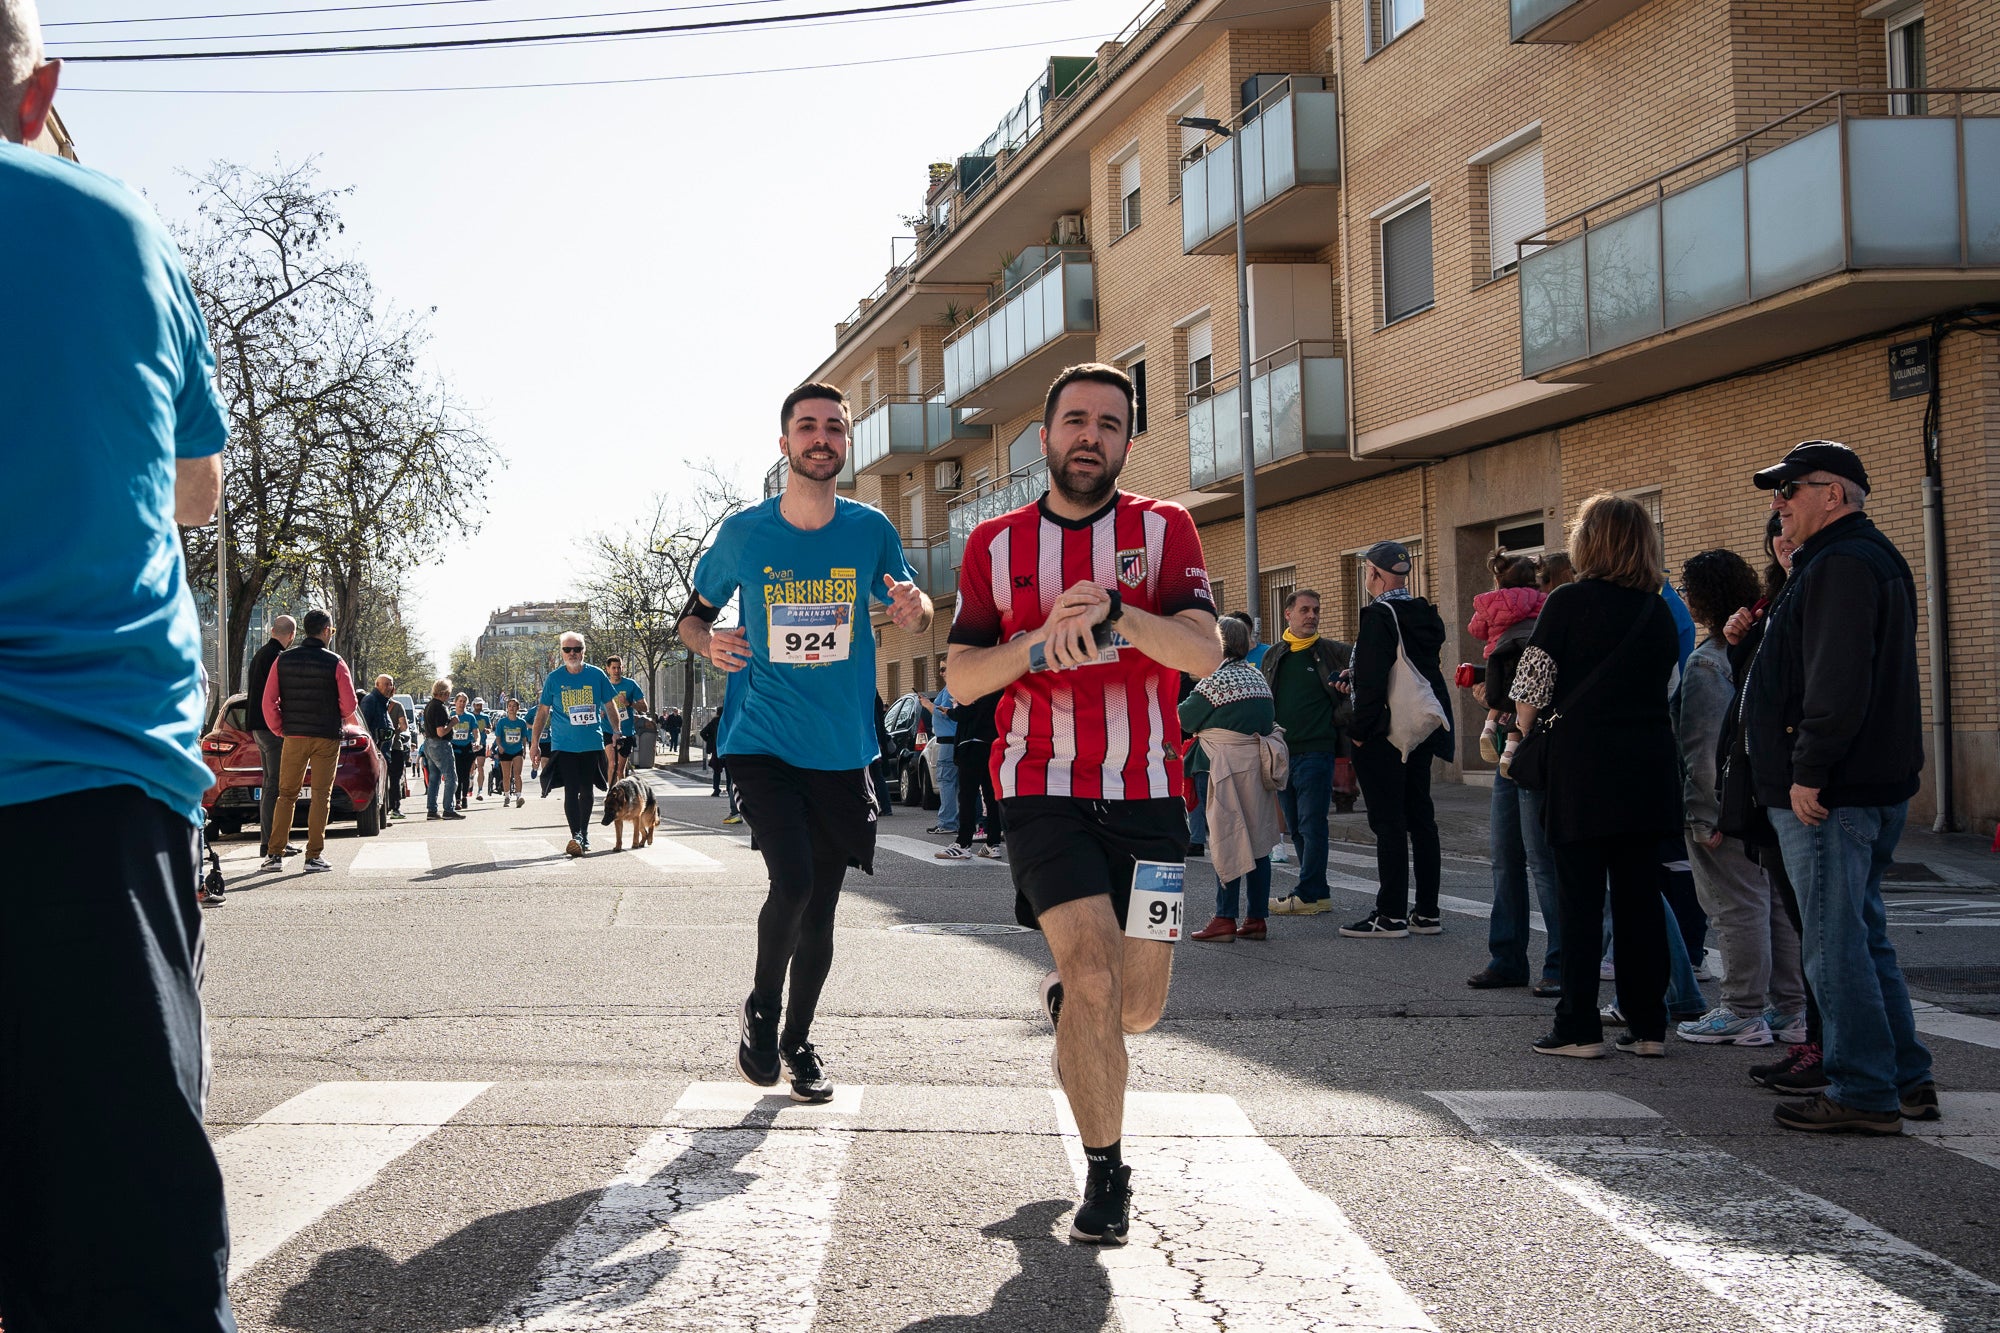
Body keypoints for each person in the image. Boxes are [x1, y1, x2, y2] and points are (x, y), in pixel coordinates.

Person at [0, 22, 238, 1319]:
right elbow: (192, 486)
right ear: (38, 91)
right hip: (89, 796)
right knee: (123, 1264)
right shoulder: (117, 228)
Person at [949, 362, 1221, 1246]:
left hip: (1149, 792)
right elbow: (959, 677)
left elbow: (1206, 653)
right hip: (1041, 788)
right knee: (1097, 976)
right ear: (1046, 436)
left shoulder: (1165, 526)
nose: (1089, 435)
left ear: (1127, 442)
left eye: (1109, 422)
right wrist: (1035, 642)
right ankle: (1106, 1171)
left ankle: (1076, 1006)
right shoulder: (994, 545)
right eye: (1075, 420)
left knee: (1136, 1004)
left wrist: (1120, 616)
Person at [677, 381, 932, 1105]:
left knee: (819, 908)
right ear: (784, 442)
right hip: (762, 738)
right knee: (790, 880)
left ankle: (798, 1039)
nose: (821, 438)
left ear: (845, 443)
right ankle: (762, 1009)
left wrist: (917, 606)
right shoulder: (746, 534)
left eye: (833, 428)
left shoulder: (870, 528)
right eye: (807, 427)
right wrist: (711, 641)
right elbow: (690, 620)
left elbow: (913, 606)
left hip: (844, 746)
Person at [1744, 441, 1932, 1133]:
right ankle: (1906, 1075)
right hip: (1862, 784)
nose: (1779, 502)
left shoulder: (1845, 564)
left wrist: (1809, 770)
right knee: (1861, 934)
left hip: (1834, 791)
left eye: (1790, 489)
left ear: (1835, 493)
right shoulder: (1848, 559)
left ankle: (1862, 1089)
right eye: (1777, 490)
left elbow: (1837, 678)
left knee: (1834, 943)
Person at [1513, 494, 1684, 1059]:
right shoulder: (1655, 610)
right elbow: (1670, 686)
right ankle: (1649, 1025)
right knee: (1640, 898)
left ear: (1591, 541)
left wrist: (1521, 732)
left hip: (1582, 769)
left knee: (1580, 899)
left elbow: (1532, 688)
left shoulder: (1567, 602)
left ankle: (1579, 1025)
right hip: (1648, 768)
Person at [1674, 548, 1806, 1048]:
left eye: (1688, 592)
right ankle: (1790, 1009)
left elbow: (1704, 748)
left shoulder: (1709, 662)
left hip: (1726, 807)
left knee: (1735, 907)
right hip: (1767, 800)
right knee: (1775, 905)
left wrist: (1705, 814)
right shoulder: (1756, 646)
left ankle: (1741, 1009)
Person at [1339, 542, 1454, 939]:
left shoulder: (1379, 616)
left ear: (1373, 574)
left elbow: (1372, 682)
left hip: (1385, 733)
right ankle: (1427, 912)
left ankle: (1389, 915)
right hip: (1419, 727)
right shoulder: (1422, 613)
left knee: (1388, 822)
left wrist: (1357, 733)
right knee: (1421, 817)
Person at [1465, 578, 1562, 995]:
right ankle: (1507, 959)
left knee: (1542, 861)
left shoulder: (1544, 625)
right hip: (1509, 746)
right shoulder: (1508, 630)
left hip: (1535, 752)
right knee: (1505, 858)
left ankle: (1559, 965)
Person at [1182, 617, 1283, 942]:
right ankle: (1256, 918)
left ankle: (1224, 917)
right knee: (1258, 844)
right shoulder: (1258, 679)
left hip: (1219, 768)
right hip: (1256, 767)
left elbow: (1184, 718)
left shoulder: (1215, 682)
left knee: (1226, 840)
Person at [1260, 589, 1351, 915]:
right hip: (1283, 755)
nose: (1311, 616)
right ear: (1288, 614)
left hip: (1317, 752)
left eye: (1316, 610)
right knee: (1296, 826)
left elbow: (1359, 684)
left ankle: (1307, 893)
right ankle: (1318, 893)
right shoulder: (1274, 655)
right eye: (1305, 610)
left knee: (1313, 824)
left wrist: (1343, 714)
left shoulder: (1334, 653)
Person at [261, 608, 363, 872]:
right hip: (326, 737)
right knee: (321, 796)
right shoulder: (336, 662)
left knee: (286, 795)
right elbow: (350, 704)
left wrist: (280, 728)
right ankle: (313, 856)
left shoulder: (282, 660)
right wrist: (332, 714)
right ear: (326, 630)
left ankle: (274, 855)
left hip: (294, 735)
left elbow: (268, 700)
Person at [533, 632, 618, 856]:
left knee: (587, 790)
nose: (572, 653)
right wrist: (534, 743)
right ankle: (576, 836)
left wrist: (616, 731)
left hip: (591, 743)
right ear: (561, 653)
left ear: (584, 651)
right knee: (571, 789)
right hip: (564, 744)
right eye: (567, 650)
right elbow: (542, 713)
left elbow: (610, 705)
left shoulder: (597, 675)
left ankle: (584, 832)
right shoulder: (554, 679)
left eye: (577, 649)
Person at [1468, 551, 1546, 768]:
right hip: (1525, 657)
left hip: (1498, 656)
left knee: (1500, 694)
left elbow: (1476, 629)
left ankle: (1488, 728)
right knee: (1517, 703)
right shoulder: (1541, 599)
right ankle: (1509, 753)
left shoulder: (1489, 602)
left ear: (1498, 579)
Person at [247, 614, 300, 857]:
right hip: (272, 728)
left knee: (270, 785)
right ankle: (273, 842)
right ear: (292, 635)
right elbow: (281, 695)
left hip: (257, 726)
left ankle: (271, 840)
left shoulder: (259, 655)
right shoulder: (279, 658)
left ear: (270, 630)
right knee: (277, 787)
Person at [933, 688, 1004, 861]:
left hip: (972, 744)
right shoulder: (1000, 687)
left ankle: (963, 843)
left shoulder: (975, 686)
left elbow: (965, 714)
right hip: (993, 743)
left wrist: (952, 709)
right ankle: (993, 844)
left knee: (967, 796)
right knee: (991, 795)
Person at [919, 663, 960, 836]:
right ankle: (962, 821)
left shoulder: (953, 689)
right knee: (955, 782)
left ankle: (948, 822)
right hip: (950, 741)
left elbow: (948, 713)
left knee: (946, 781)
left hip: (949, 742)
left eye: (944, 668)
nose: (941, 672)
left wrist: (929, 705)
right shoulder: (950, 688)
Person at [361, 673, 404, 820]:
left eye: (390, 684)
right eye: (385, 684)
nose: (389, 687)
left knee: (384, 785)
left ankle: (383, 816)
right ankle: (379, 817)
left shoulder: (384, 702)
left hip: (384, 751)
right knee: (377, 785)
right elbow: (365, 726)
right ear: (377, 685)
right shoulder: (370, 700)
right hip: (375, 751)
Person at [423, 678, 462, 820]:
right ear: (444, 693)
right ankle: (448, 809)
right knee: (451, 777)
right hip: (440, 745)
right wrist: (452, 723)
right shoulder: (440, 707)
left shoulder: (429, 706)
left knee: (434, 779)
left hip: (429, 744)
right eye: (448, 693)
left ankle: (432, 810)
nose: (449, 696)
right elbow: (441, 731)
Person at [605, 655, 644, 784]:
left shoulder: (631, 685)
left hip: (626, 731)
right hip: (608, 730)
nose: (617, 671)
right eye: (614, 668)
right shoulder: (603, 685)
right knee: (612, 764)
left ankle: (621, 795)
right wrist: (599, 712)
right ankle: (611, 794)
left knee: (620, 770)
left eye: (619, 668)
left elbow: (644, 707)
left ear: (622, 668)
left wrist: (629, 703)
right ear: (608, 669)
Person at [491, 698, 529, 807]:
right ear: (507, 708)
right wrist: (499, 746)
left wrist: (525, 750)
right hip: (505, 750)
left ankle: (519, 797)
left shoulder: (521, 723)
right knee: (507, 775)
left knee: (518, 774)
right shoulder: (502, 722)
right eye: (509, 706)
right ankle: (507, 796)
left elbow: (524, 738)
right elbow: (498, 737)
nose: (511, 708)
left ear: (518, 708)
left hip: (517, 750)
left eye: (514, 706)